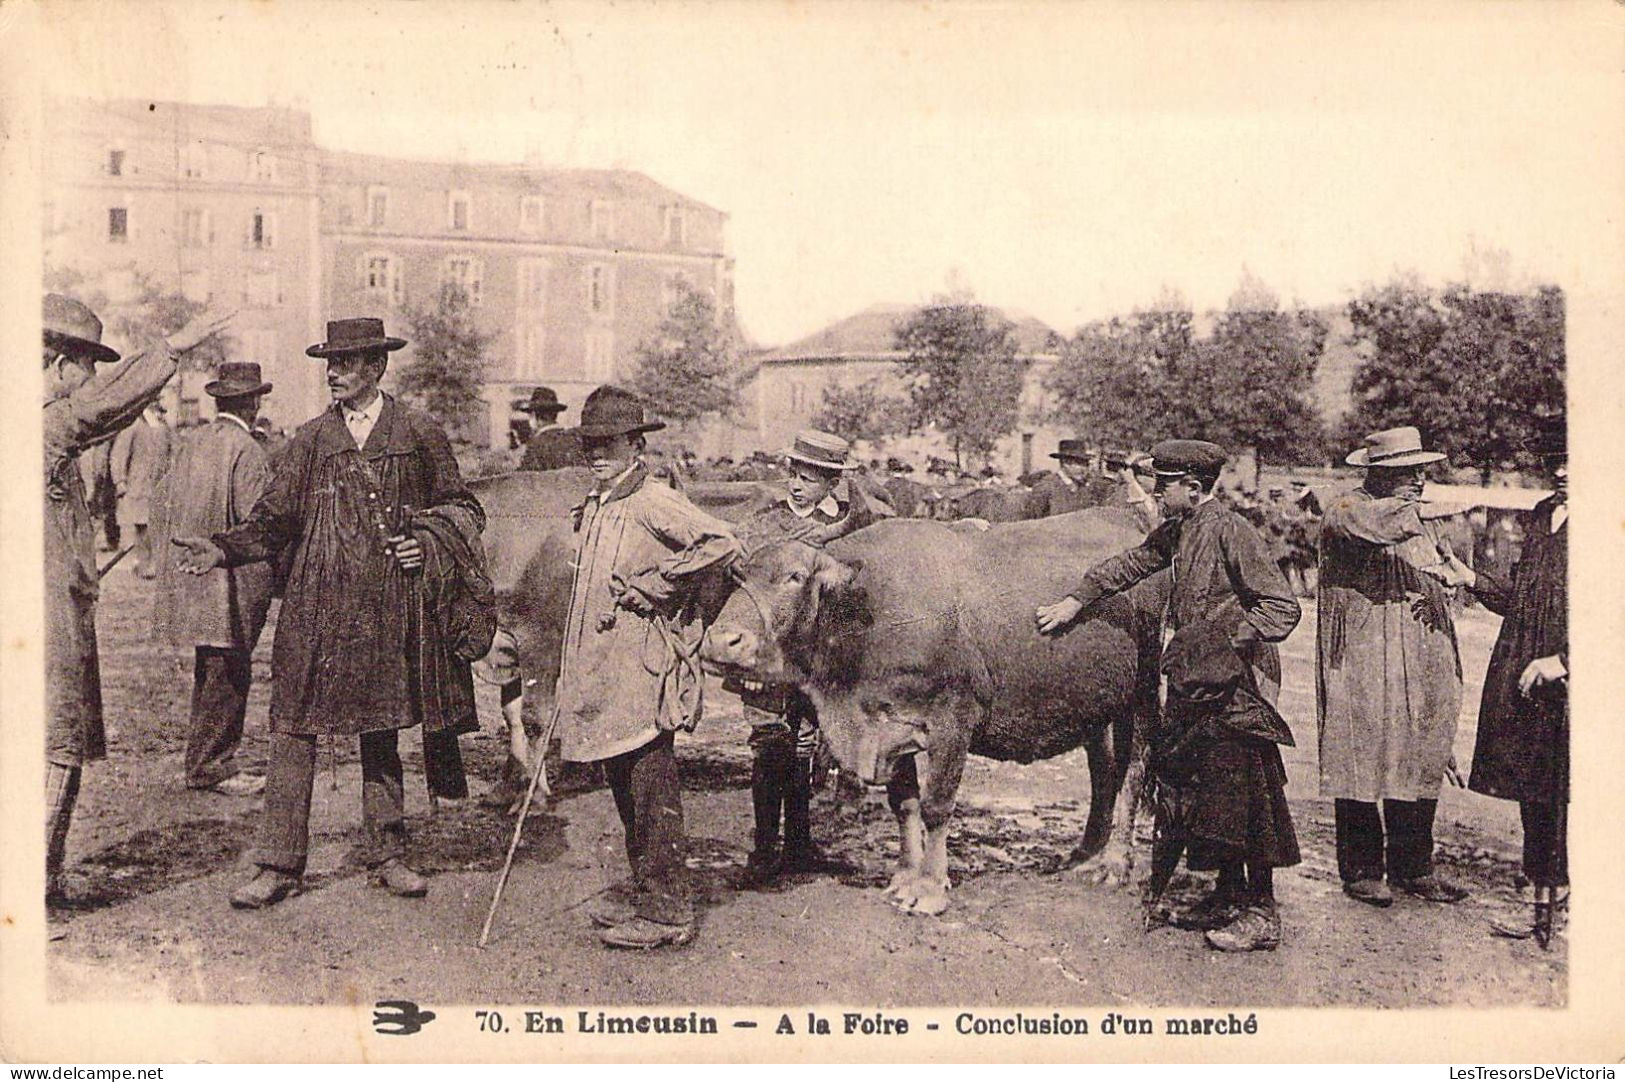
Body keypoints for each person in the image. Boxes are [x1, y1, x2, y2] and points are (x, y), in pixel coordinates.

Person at [174, 317, 491, 909]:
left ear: (377, 368)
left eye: (345, 364)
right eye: (329, 364)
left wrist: (426, 539)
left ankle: (389, 853)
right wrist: (221, 548)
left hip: (387, 606)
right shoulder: (312, 439)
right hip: (314, 608)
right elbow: (274, 520)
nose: (334, 374)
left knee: (383, 728)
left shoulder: (418, 432)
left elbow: (464, 510)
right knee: (293, 729)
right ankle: (278, 863)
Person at [1036, 439, 1302, 952]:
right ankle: (1227, 895)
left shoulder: (1230, 530)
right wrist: (1077, 598)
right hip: (1198, 683)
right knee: (1209, 793)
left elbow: (1281, 608)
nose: (1155, 493)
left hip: (1236, 686)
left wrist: (1223, 640)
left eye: (1163, 485)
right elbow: (1134, 563)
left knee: (1247, 792)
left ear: (1194, 488)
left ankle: (1261, 912)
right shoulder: (1180, 530)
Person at [44, 293, 232, 907]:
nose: (90, 379)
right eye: (84, 365)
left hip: (55, 604)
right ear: (54, 360)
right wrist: (174, 347)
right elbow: (100, 410)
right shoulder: (41, 421)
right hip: (41, 619)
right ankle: (34, 881)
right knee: (55, 738)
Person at [553, 386, 741, 949]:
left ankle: (667, 910)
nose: (597, 453)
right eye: (590, 443)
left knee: (649, 780)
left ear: (636, 445)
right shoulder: (601, 500)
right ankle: (646, 889)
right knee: (623, 777)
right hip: (604, 668)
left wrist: (658, 584)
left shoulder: (651, 499)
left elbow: (721, 541)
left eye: (608, 443)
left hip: (642, 665)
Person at [1316, 426, 1469, 909]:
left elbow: (1439, 566)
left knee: (1419, 753)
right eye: (1408, 472)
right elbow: (1383, 524)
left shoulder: (1418, 516)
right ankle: (1362, 869)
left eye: (1422, 471)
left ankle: (1414, 867)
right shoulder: (1346, 510)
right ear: (1379, 475)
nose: (1420, 481)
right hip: (1363, 657)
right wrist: (1428, 509)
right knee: (1364, 751)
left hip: (1420, 657)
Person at [733, 430, 883, 886]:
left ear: (833, 482)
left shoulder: (853, 528)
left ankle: (799, 844)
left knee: (807, 747)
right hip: (773, 655)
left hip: (822, 659)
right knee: (770, 745)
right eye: (794, 475)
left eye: (811, 477)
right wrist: (754, 661)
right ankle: (764, 848)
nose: (797, 485)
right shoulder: (764, 524)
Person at [1449, 416, 1568, 941]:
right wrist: (1471, 580)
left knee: (1570, 787)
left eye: (1575, 462)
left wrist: (1566, 661)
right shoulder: (1545, 515)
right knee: (1536, 786)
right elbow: (1523, 597)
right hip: (1529, 667)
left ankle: (1559, 898)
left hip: (1570, 674)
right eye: (1554, 461)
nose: (1562, 471)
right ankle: (1547, 894)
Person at [153, 362, 277, 797]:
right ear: (253, 402)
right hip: (230, 581)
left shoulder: (192, 442)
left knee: (210, 672)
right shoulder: (247, 450)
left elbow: (162, 503)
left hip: (192, 575)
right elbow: (257, 524)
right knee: (229, 673)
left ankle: (203, 759)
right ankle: (213, 765)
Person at [110, 399, 173, 578]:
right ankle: (143, 563)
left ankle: (154, 563)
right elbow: (119, 454)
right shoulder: (134, 425)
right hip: (139, 483)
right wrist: (120, 481)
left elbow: (172, 451)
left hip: (161, 484)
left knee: (158, 525)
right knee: (143, 526)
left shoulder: (162, 425)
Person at [516, 386, 580, 471]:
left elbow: (524, 477)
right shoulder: (573, 439)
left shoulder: (536, 445)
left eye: (529, 415)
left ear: (534, 415)